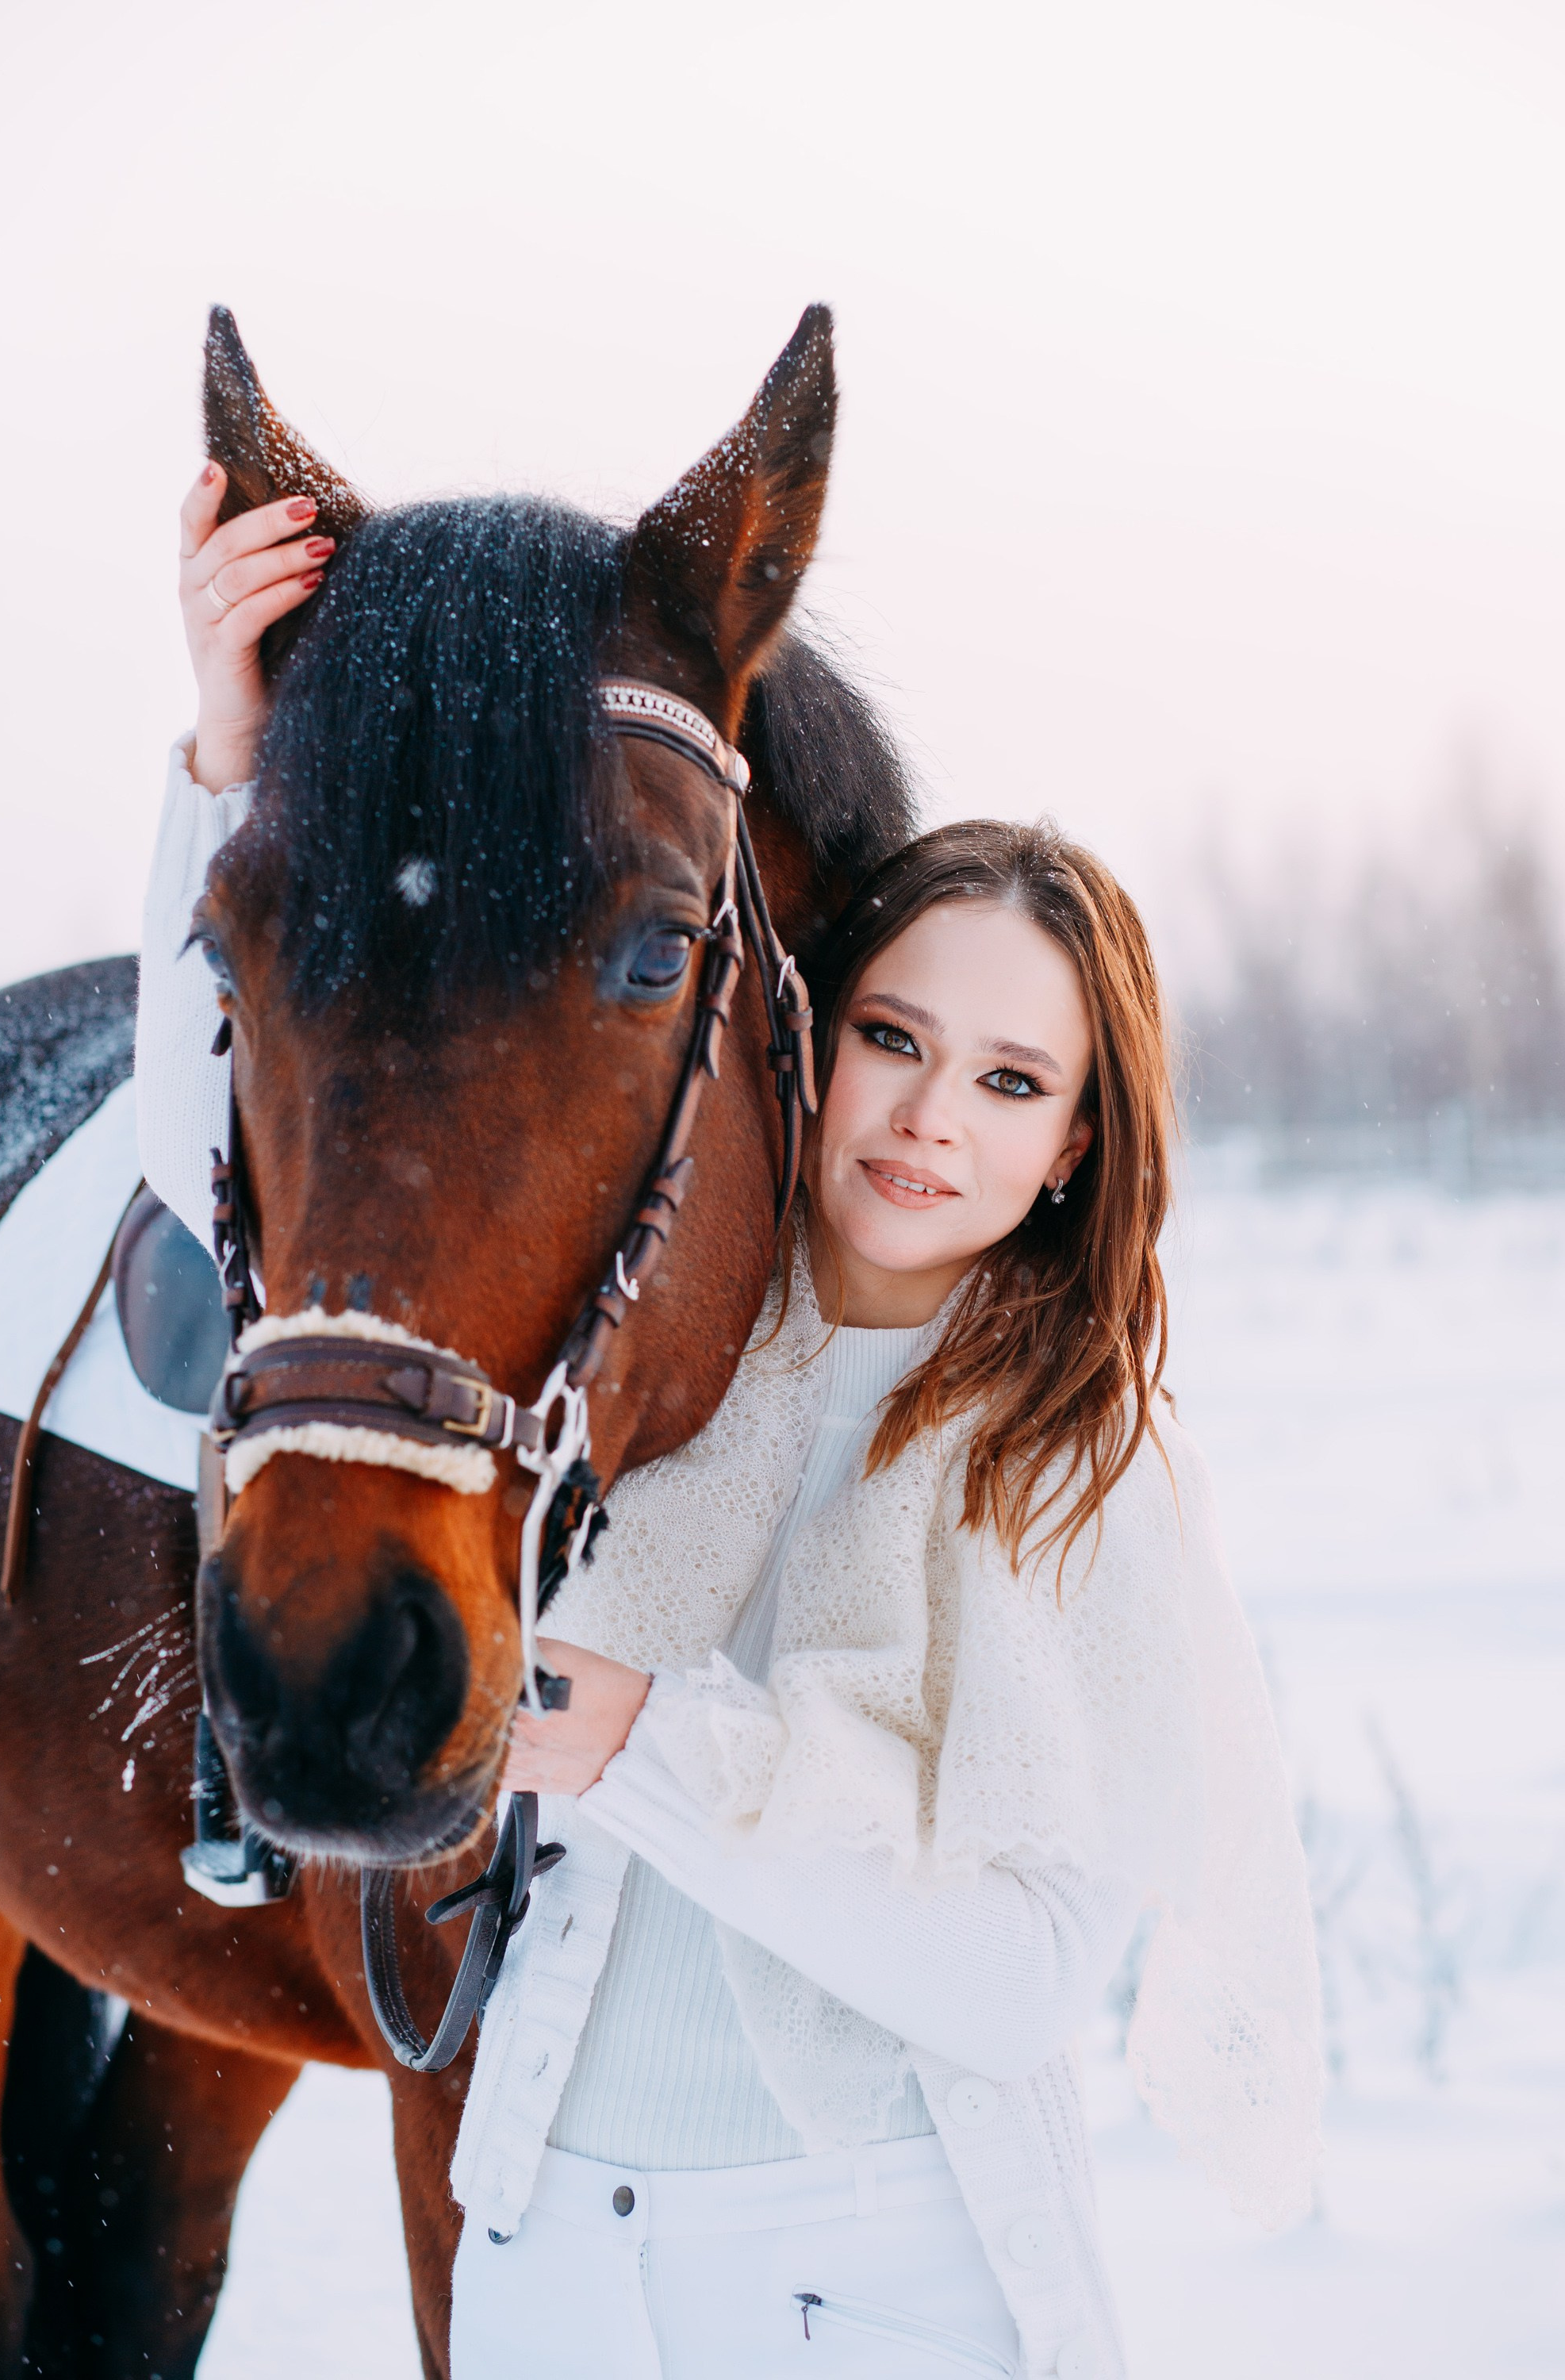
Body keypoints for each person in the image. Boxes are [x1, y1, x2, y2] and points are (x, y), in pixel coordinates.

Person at [143, 470, 1322, 2380]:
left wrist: (645, 1757)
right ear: (785, 1027)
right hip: (547, 2264)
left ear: (1070, 1148)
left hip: (864, 2292)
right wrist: (234, 755)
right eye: (893, 1040)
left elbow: (1019, 1985)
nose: (933, 1117)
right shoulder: (645, 1381)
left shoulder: (1060, 1461)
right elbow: (241, 1113)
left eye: (1011, 1080)